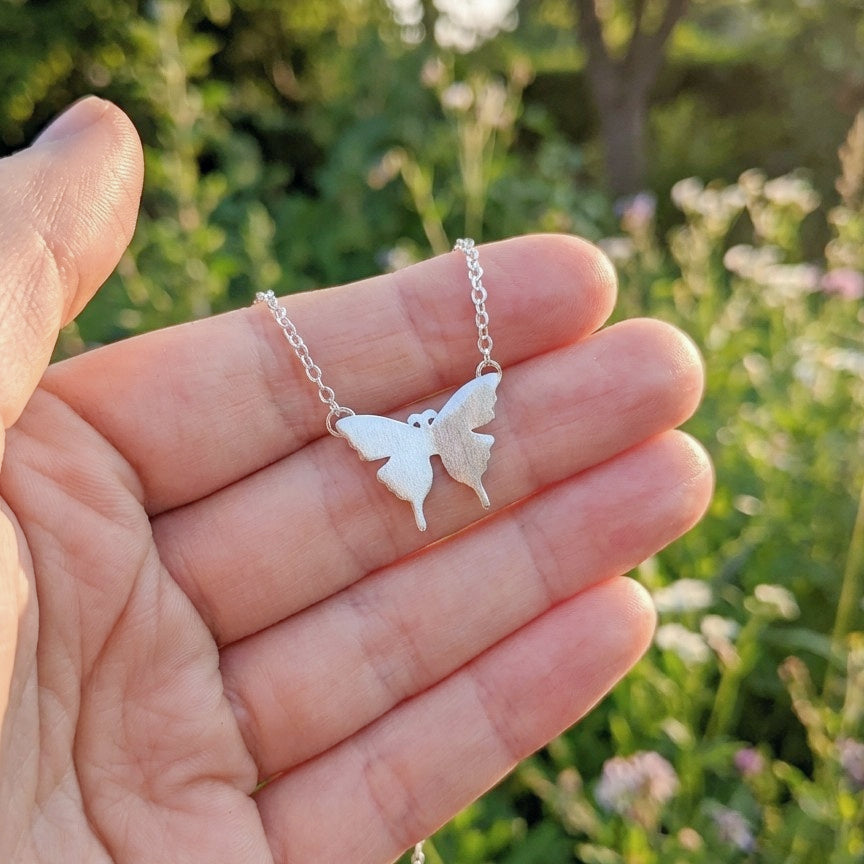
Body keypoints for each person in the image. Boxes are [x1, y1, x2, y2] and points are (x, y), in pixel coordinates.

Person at [0, 97, 712, 863]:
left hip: (432, 448)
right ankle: (464, 491)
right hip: (426, 452)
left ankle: (465, 489)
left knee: (473, 480)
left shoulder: (402, 423)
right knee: (465, 489)